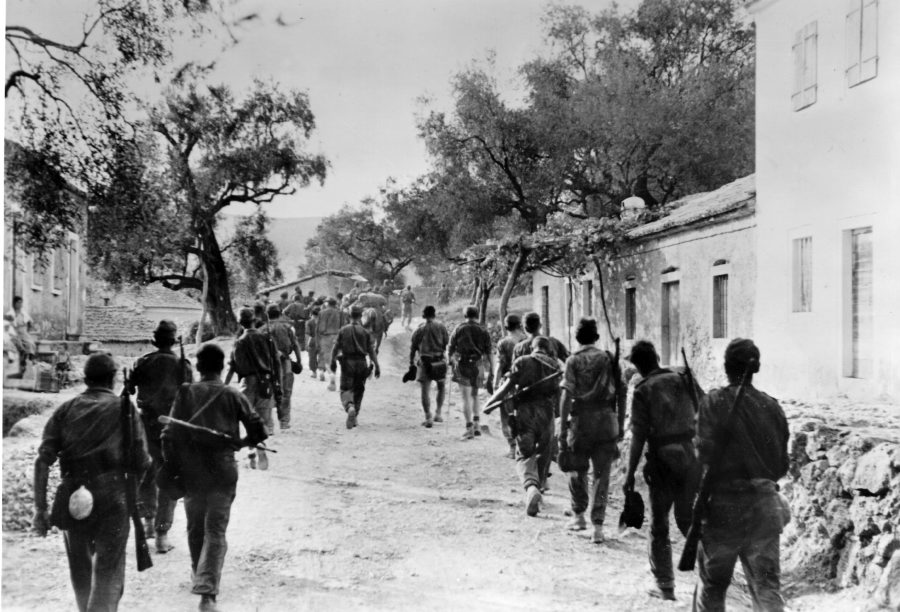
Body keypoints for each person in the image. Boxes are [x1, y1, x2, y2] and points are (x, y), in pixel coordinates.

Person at [33, 353, 151, 612]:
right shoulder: (124, 409)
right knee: (109, 570)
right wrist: (130, 493)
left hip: (73, 494)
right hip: (113, 495)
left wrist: (40, 509)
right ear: (112, 379)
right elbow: (142, 461)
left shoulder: (65, 409)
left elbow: (42, 462)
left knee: (80, 568)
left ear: (86, 379)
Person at [162, 343, 268, 612]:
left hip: (192, 470)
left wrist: (173, 465)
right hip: (223, 468)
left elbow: (168, 434)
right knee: (216, 530)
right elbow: (259, 430)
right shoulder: (232, 394)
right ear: (222, 367)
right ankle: (207, 594)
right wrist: (241, 443)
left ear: (198, 366)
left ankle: (199, 574)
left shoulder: (185, 393)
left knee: (195, 526)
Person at [694, 339, 790, 612]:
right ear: (756, 368)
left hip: (724, 509)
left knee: (712, 588)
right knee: (767, 590)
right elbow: (781, 466)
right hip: (764, 507)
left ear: (726, 367)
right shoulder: (773, 407)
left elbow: (702, 455)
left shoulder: (713, 402)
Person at [623, 340, 702, 601]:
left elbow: (638, 437)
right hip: (691, 456)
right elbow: (704, 409)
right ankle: (712, 567)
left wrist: (629, 474)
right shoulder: (683, 378)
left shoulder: (643, 389)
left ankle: (665, 585)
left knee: (659, 525)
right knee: (686, 517)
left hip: (663, 461)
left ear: (637, 366)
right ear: (657, 357)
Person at [558, 317, 626, 544]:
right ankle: (598, 527)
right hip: (606, 421)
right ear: (596, 337)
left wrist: (562, 427)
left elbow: (566, 395)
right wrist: (620, 424)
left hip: (582, 422)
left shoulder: (573, 361)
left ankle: (578, 516)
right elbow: (622, 392)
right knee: (601, 475)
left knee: (577, 469)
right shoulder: (609, 359)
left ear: (577, 337)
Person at [129, 320, 192, 553]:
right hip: (172, 426)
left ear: (155, 340)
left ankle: (147, 523)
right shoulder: (182, 364)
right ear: (174, 341)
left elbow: (129, 389)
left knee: (146, 471)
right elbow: (190, 396)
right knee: (169, 475)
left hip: (145, 423)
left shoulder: (143, 361)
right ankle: (162, 535)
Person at [486, 336, 561, 516]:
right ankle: (538, 488)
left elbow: (506, 388)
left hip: (525, 412)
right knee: (544, 452)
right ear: (548, 350)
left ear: (533, 348)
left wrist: (489, 403)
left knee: (524, 454)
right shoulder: (555, 367)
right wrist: (558, 415)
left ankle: (531, 488)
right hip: (547, 413)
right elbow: (559, 395)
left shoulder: (522, 361)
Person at [225, 308, 280, 470]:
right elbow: (276, 362)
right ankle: (260, 445)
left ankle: (251, 453)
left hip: (247, 383)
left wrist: (224, 385)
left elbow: (234, 366)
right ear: (254, 320)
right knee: (262, 420)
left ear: (240, 323)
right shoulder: (267, 338)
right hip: (266, 383)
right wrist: (277, 384)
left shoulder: (240, 342)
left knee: (248, 420)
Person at [448, 305, 494, 440]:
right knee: (475, 395)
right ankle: (477, 424)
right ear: (477, 315)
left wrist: (450, 361)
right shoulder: (483, 330)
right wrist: (492, 369)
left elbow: (450, 349)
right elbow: (489, 352)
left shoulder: (459, 329)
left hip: (463, 364)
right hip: (478, 365)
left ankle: (469, 428)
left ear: (465, 315)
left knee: (465, 397)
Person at [330, 306, 380, 429]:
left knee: (346, 389)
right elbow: (371, 351)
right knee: (359, 389)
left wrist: (332, 361)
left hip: (347, 363)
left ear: (349, 316)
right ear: (360, 316)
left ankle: (349, 406)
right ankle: (355, 415)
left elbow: (335, 348)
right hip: (362, 363)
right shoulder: (365, 332)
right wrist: (377, 365)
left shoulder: (343, 330)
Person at [409, 305, 450, 428]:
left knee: (425, 390)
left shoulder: (419, 330)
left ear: (423, 315)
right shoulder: (441, 327)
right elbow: (446, 343)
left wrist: (411, 362)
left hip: (425, 362)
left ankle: (428, 417)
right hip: (439, 361)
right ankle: (438, 413)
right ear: (434, 314)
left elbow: (413, 348)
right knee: (441, 387)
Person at [495, 314, 527, 458]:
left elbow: (500, 365)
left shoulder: (504, 343)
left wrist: (496, 385)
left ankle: (513, 447)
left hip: (508, 384)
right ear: (520, 325)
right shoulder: (528, 341)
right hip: (526, 383)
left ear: (506, 326)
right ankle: (523, 446)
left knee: (507, 415)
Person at [266, 304, 303, 431]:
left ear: (267, 314)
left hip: (268, 364)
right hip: (285, 362)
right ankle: (284, 422)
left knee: (268, 392)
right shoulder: (287, 327)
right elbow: (296, 345)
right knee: (286, 392)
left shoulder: (263, 329)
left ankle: (269, 425)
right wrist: (299, 361)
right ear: (280, 313)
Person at [316, 298, 345, 391]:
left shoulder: (322, 312)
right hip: (337, 337)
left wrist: (317, 340)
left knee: (326, 358)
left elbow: (318, 328)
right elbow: (343, 326)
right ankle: (334, 378)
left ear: (327, 303)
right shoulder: (340, 313)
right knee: (335, 358)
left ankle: (331, 376)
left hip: (326, 337)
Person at [5, 295, 35, 376]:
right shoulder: (10, 314)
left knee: (30, 344)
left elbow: (30, 322)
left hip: (23, 332)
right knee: (19, 346)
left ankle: (30, 361)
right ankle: (20, 364)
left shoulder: (23, 313)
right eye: (18, 303)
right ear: (14, 303)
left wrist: (27, 331)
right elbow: (7, 326)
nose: (20, 304)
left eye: (21, 303)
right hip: (14, 333)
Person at [306, 307, 320, 378]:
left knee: (312, 357)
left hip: (313, 340)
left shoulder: (309, 322)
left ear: (312, 314)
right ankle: (322, 371)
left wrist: (307, 344)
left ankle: (314, 372)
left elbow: (307, 333)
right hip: (322, 340)